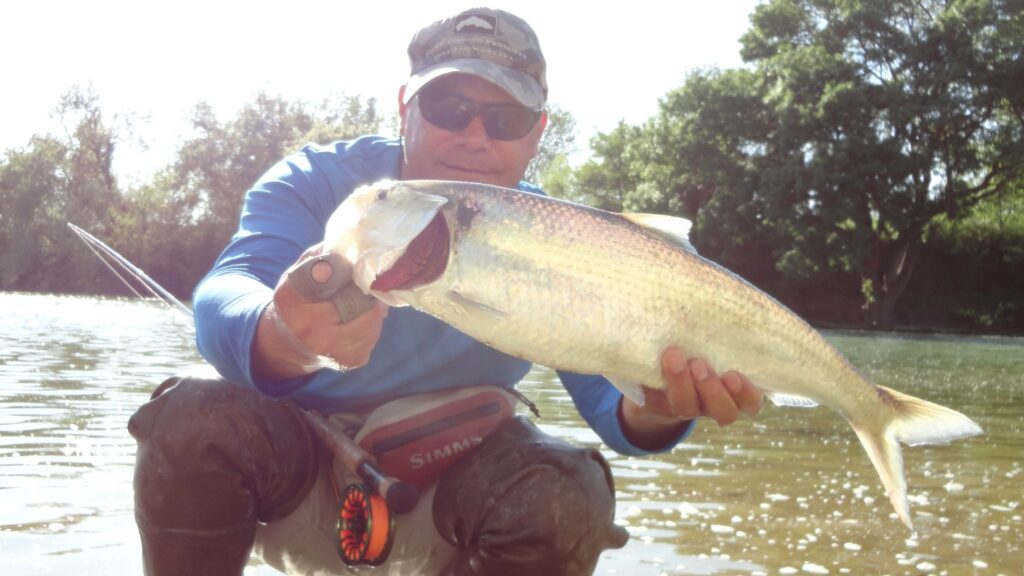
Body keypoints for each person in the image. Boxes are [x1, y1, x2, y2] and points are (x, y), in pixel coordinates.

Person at [128, 7, 764, 576]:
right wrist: (280, 335)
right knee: (193, 416)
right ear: (405, 108)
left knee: (567, 491)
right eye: (449, 109)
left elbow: (616, 410)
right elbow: (225, 291)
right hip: (294, 487)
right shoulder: (321, 182)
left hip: (454, 509)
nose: (475, 136)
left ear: (538, 132)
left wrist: (661, 405)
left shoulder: (564, 239)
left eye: (506, 117)